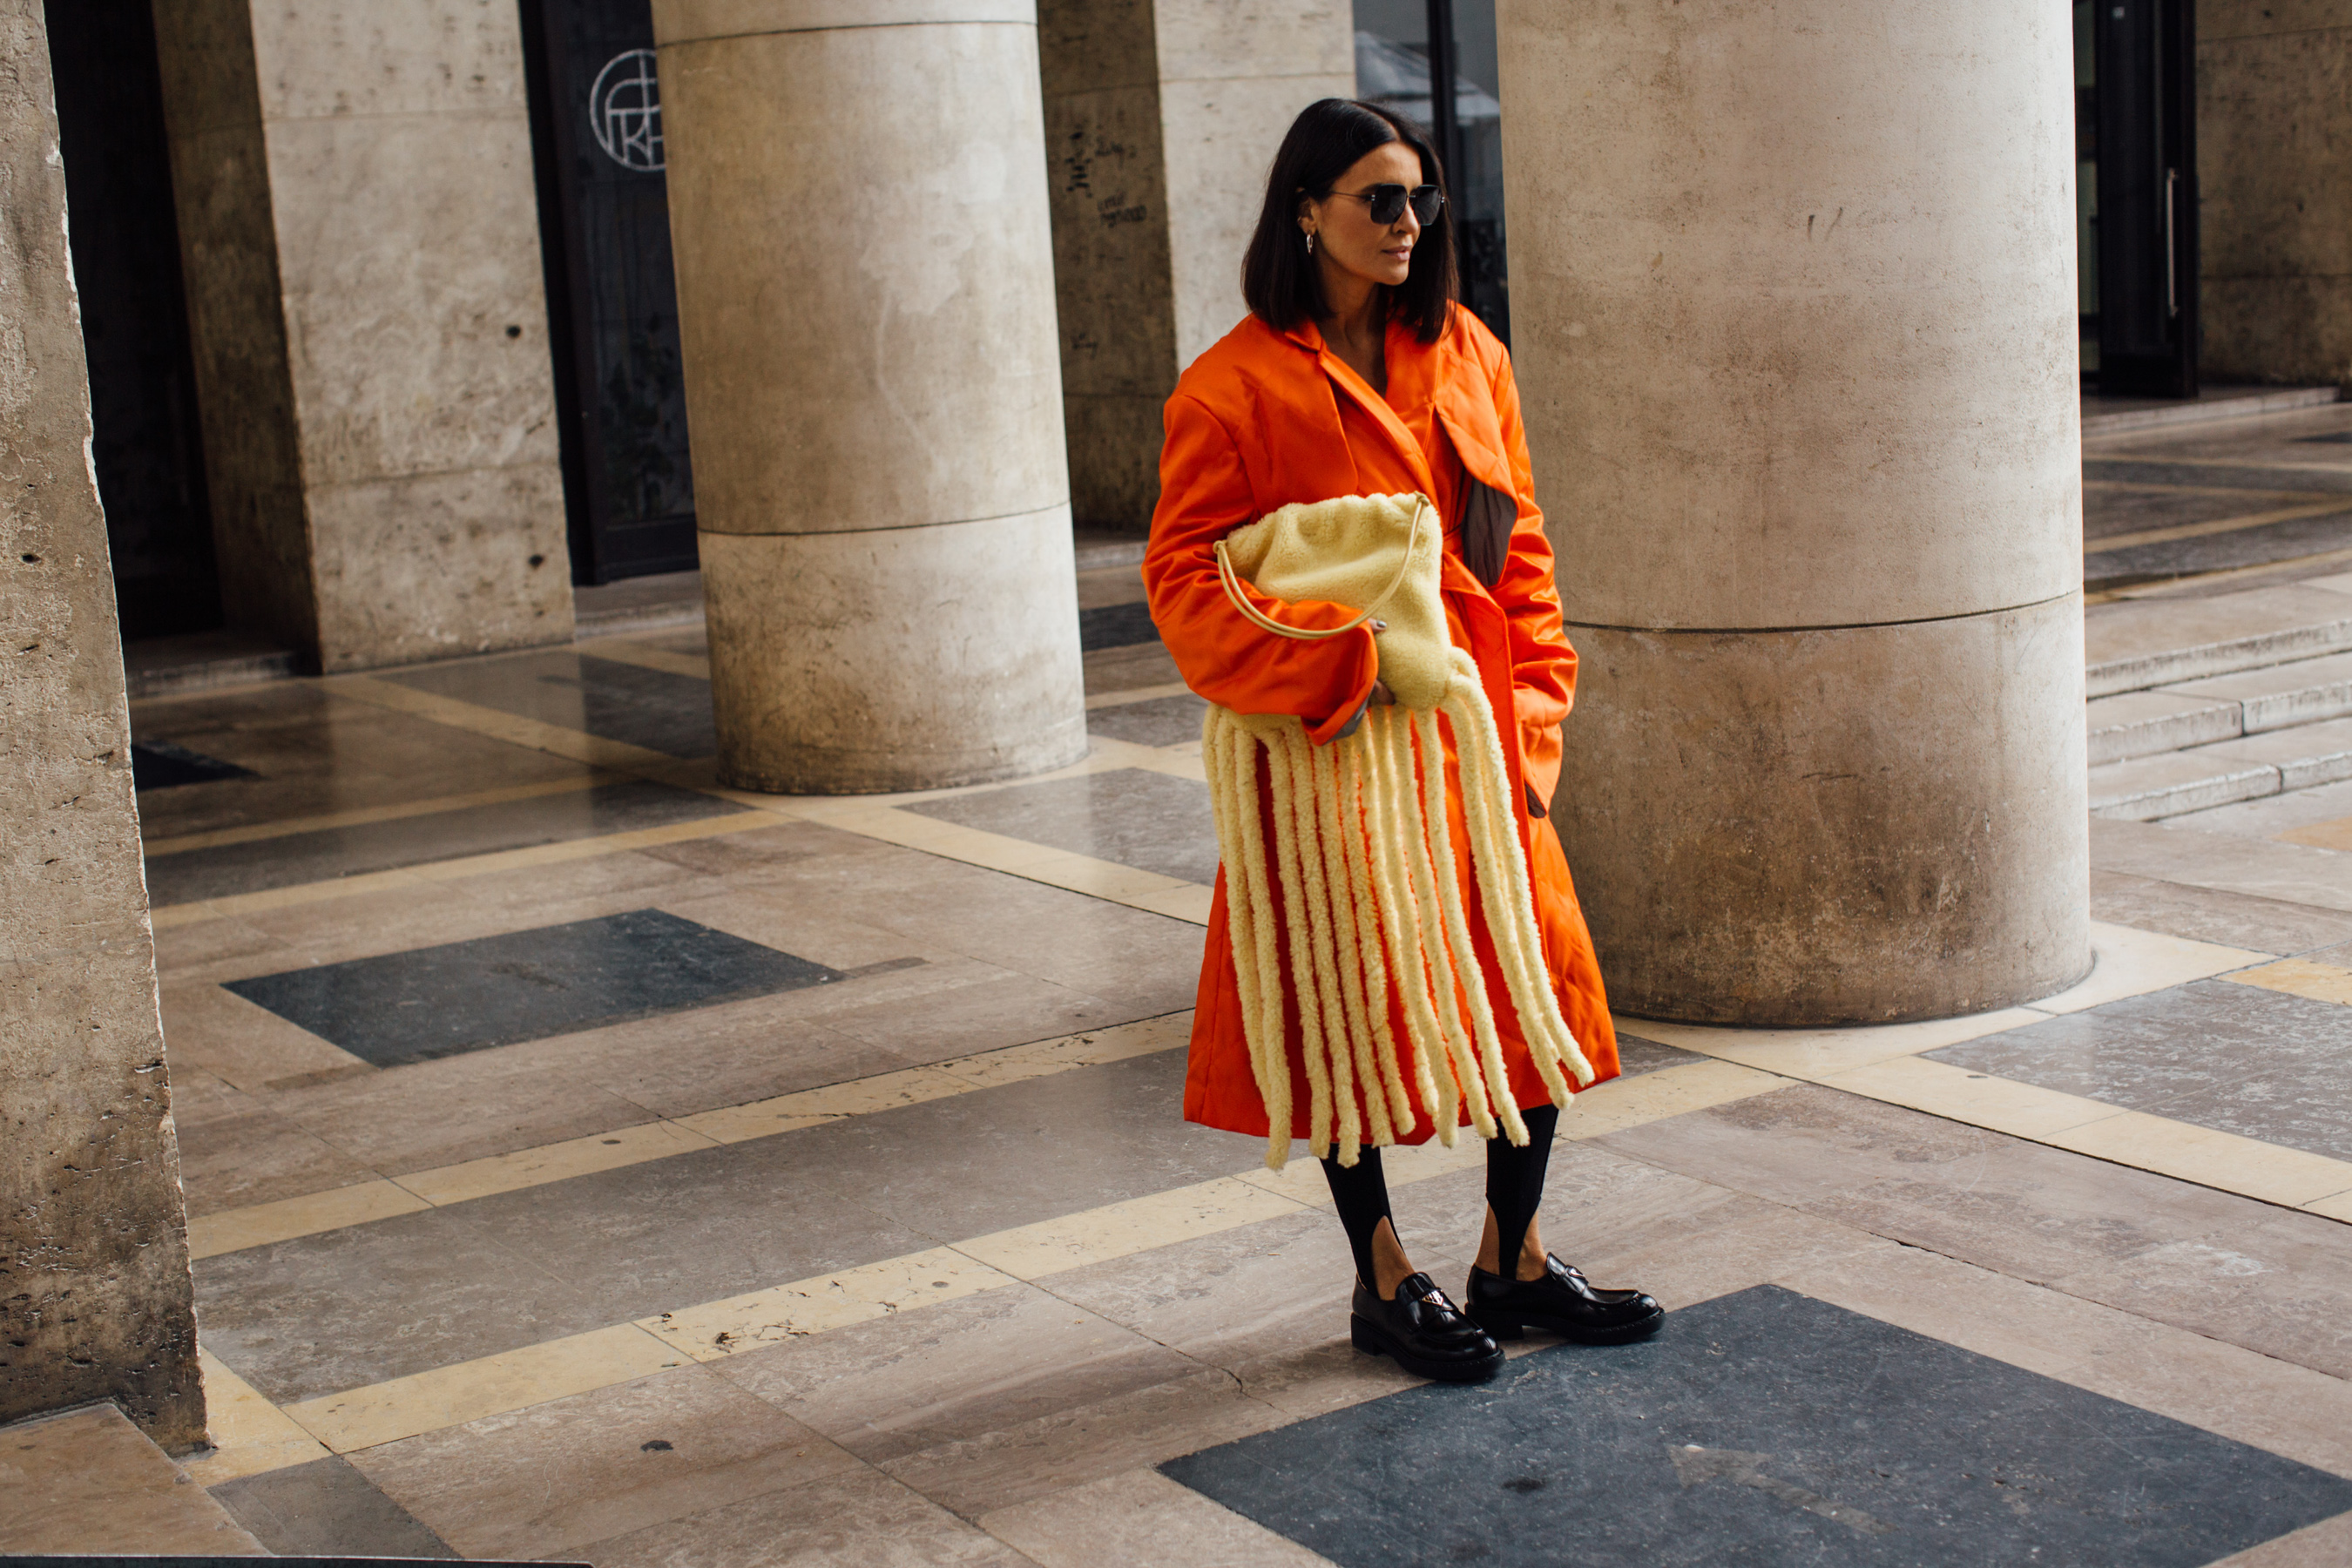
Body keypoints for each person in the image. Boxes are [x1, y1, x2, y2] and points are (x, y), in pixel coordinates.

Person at [1142, 98, 1662, 1383]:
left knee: (1538, 991)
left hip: (1481, 743)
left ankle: (1515, 1256)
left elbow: (1521, 542)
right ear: (1306, 208)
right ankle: (1382, 1278)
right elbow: (1184, 582)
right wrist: (1344, 665)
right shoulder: (1229, 388)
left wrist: (1535, 719)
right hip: (1331, 752)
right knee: (1343, 1008)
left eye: (1419, 198)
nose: (1409, 223)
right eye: (1380, 199)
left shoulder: (1467, 349)